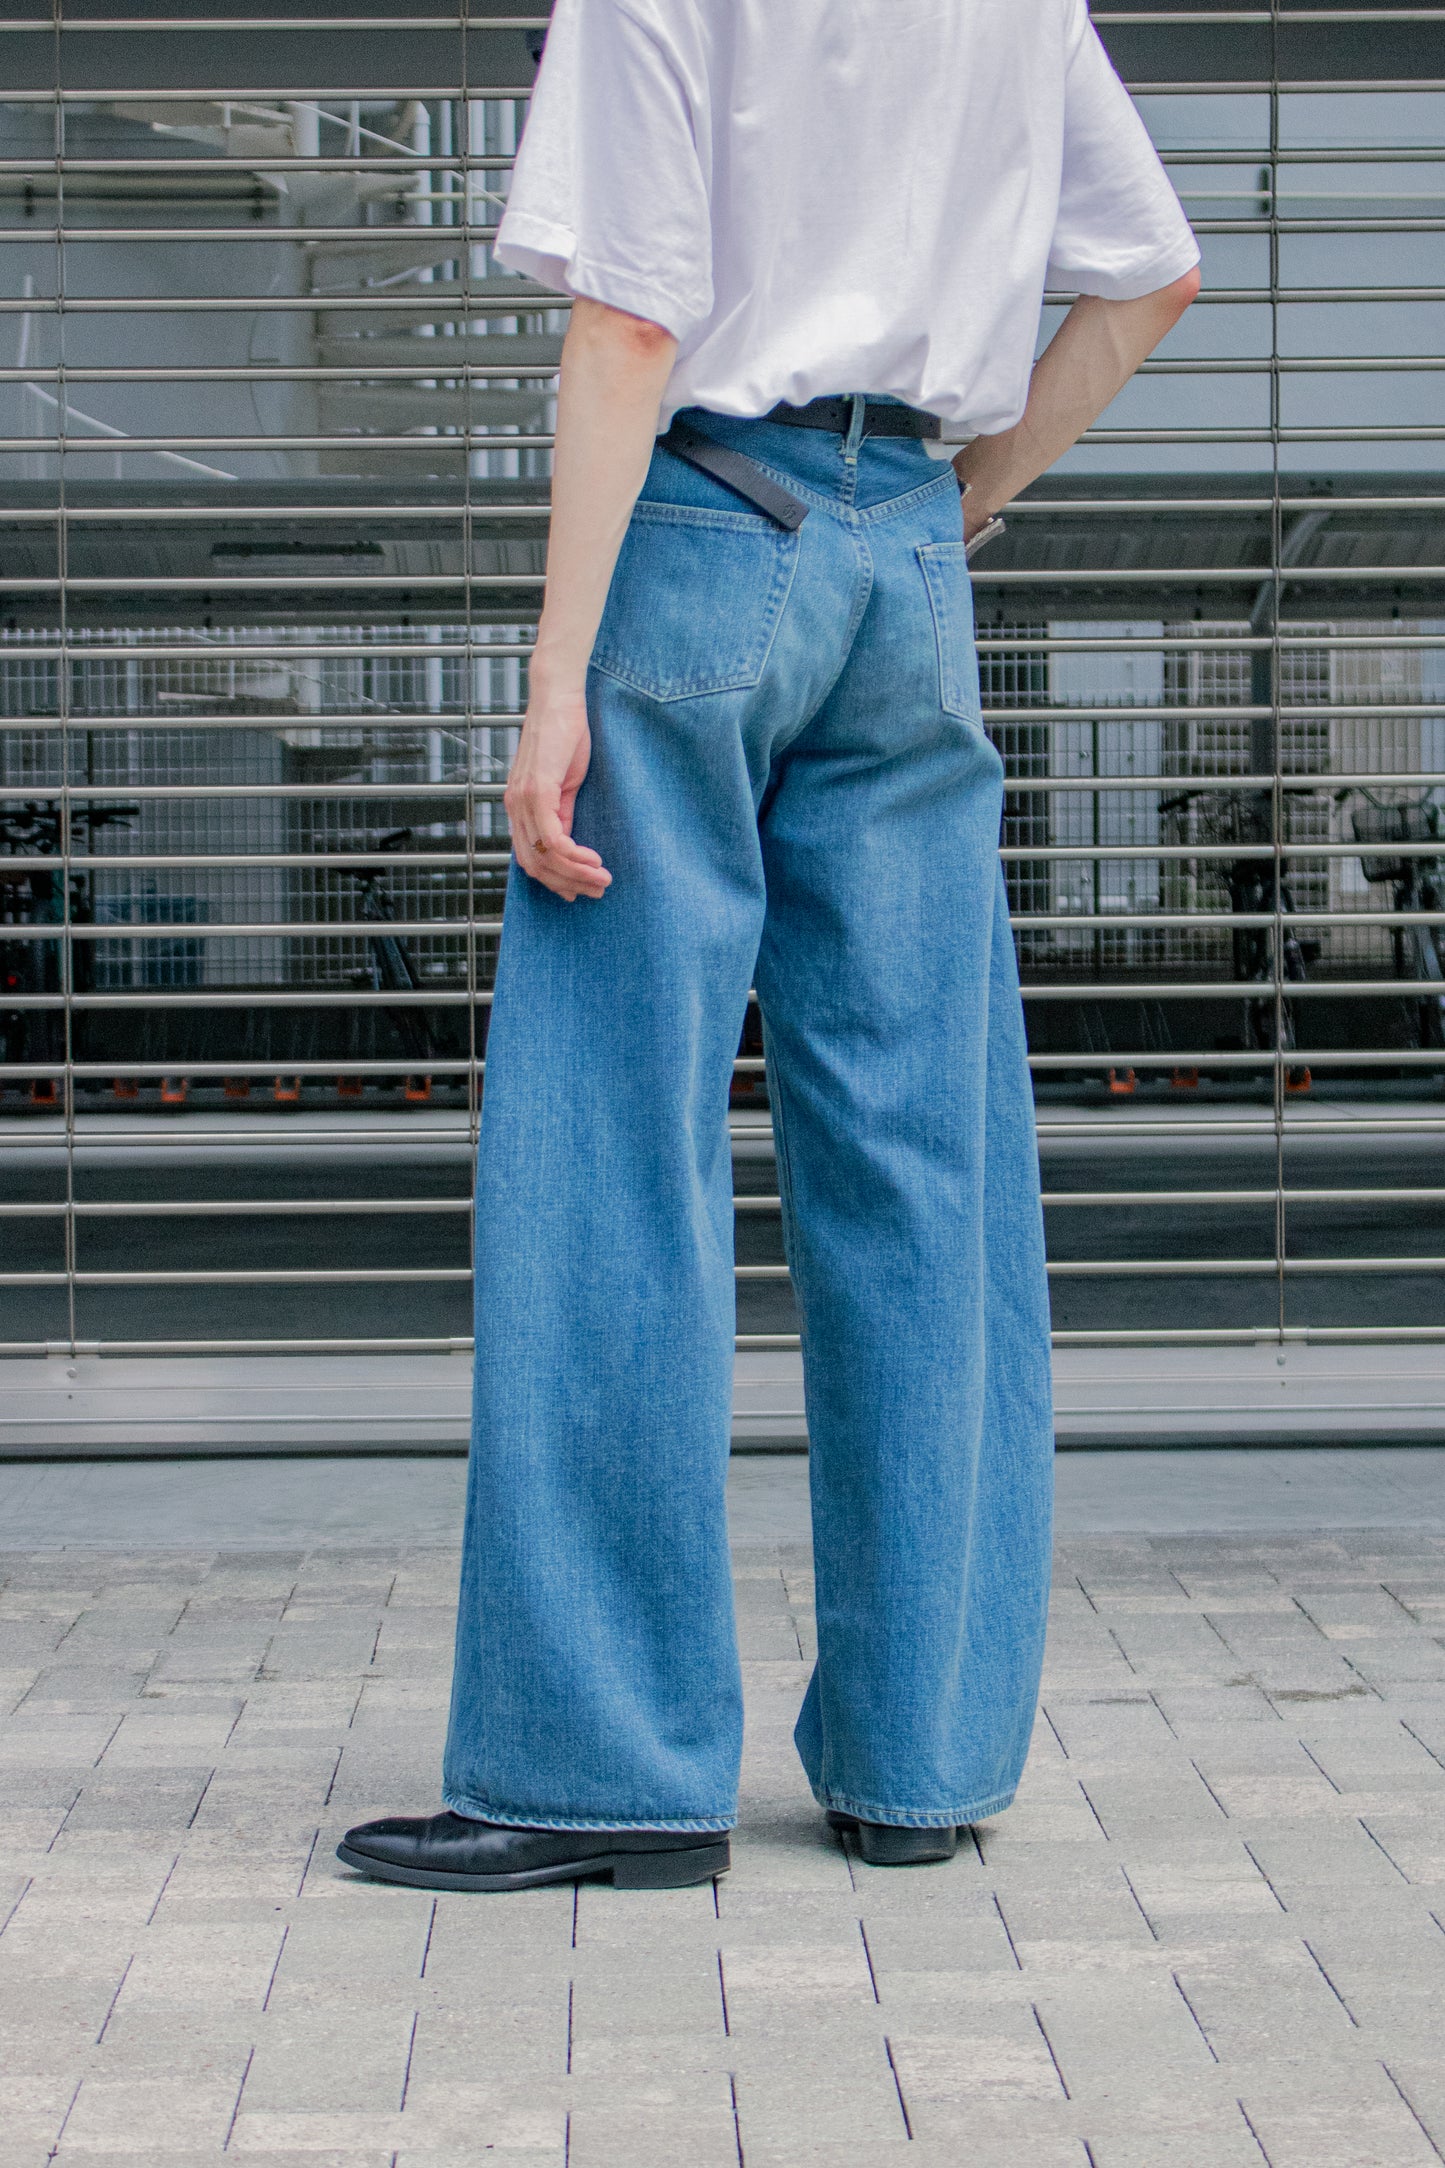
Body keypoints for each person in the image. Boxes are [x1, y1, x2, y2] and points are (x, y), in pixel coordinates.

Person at [339, 0, 1199, 1893]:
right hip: (905, 562)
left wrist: (552, 676)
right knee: (921, 1160)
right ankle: (919, 1762)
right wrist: (955, 505)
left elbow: (631, 322)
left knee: (610, 1147)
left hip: (700, 527)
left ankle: (599, 1771)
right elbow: (1152, 277)